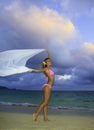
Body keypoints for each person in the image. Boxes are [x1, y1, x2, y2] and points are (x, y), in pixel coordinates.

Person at [28, 50, 54, 121]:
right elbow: (38, 71)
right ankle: (36, 114)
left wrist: (48, 52)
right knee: (45, 102)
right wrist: (32, 70)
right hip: (47, 86)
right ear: (46, 63)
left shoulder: (49, 68)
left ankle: (45, 118)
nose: (50, 61)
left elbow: (50, 58)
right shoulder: (45, 69)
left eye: (50, 61)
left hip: (49, 86)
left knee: (46, 103)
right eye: (48, 61)